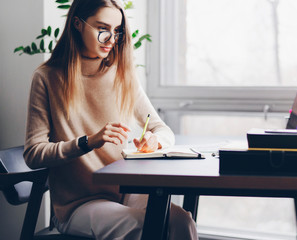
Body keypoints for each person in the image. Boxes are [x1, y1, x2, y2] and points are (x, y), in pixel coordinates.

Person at [23, 0, 198, 239]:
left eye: (117, 31)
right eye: (102, 29)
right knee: (143, 227)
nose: (111, 39)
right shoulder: (47, 78)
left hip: (126, 192)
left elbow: (162, 129)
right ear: (77, 24)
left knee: (181, 221)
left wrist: (154, 140)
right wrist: (88, 142)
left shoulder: (121, 75)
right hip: (78, 206)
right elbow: (34, 154)